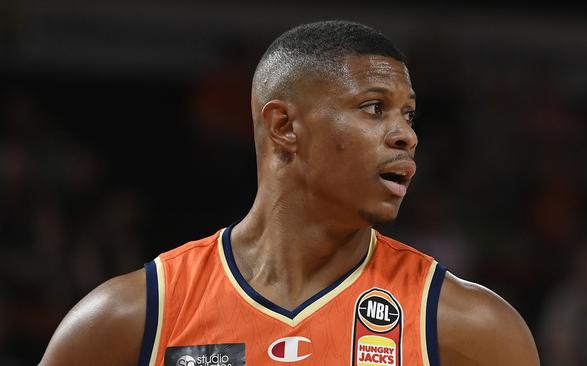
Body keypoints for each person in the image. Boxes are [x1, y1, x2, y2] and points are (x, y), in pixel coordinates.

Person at [40, 20, 539, 365]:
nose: (406, 134)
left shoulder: (469, 325)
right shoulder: (134, 315)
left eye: (407, 114)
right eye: (373, 107)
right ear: (283, 126)